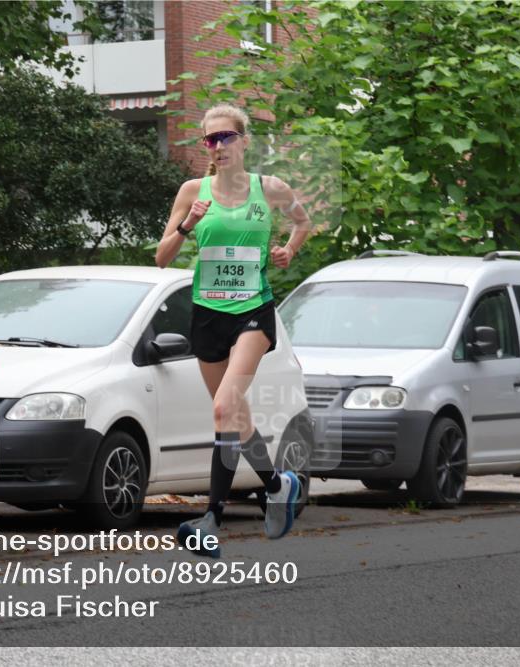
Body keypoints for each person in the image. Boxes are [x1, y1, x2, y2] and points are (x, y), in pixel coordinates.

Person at [155, 103, 312, 558]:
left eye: (226, 137)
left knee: (224, 406)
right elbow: (162, 258)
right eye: (210, 139)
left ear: (244, 141)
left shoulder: (271, 189)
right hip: (207, 315)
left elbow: (303, 221)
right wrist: (188, 224)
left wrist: (288, 250)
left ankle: (211, 519)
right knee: (234, 416)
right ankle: (279, 484)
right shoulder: (192, 191)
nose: (218, 146)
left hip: (253, 313)